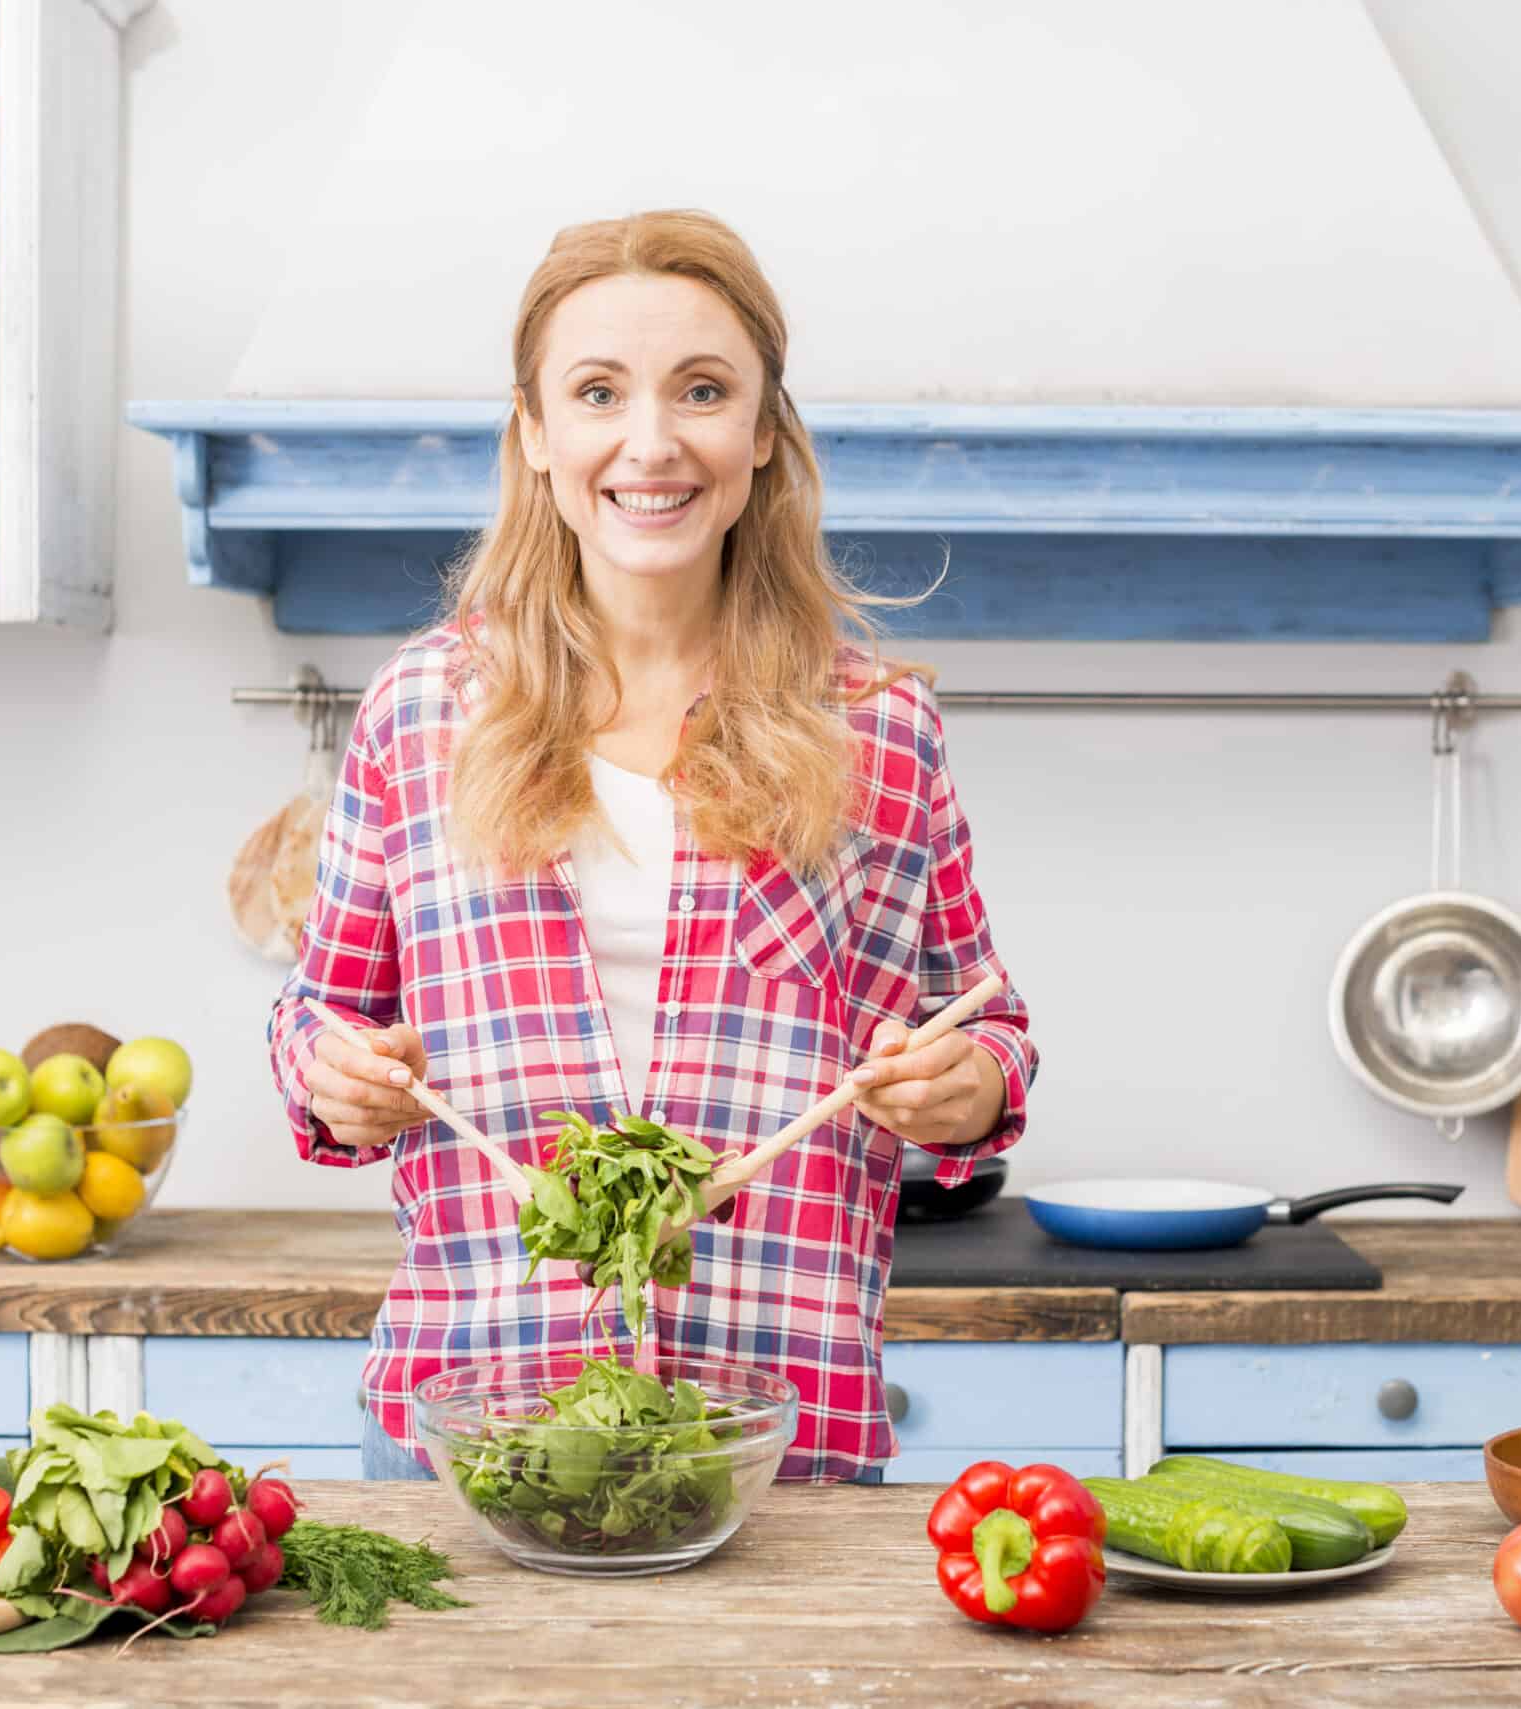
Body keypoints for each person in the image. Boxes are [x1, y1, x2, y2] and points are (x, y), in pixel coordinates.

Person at [268, 209, 1037, 1484]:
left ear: (763, 435)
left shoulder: (881, 730)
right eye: (597, 392)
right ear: (535, 432)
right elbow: (318, 1016)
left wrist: (967, 1092)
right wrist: (335, 1075)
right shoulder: (419, 709)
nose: (650, 442)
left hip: (777, 1442)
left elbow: (988, 1025)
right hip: (469, 1425)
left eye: (701, 390)